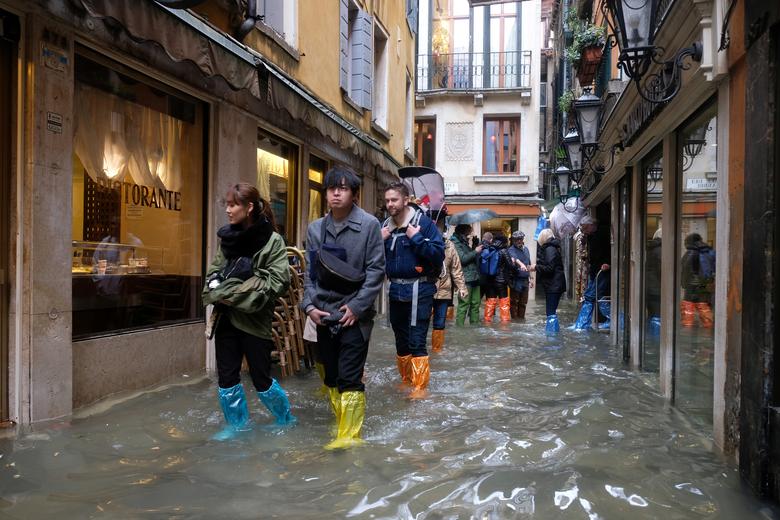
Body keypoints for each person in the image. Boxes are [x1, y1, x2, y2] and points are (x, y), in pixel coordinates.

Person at [202, 183, 294, 441]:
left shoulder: (272, 241)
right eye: (227, 205)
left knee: (261, 379)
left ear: (249, 207)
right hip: (225, 318)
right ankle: (236, 425)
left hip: (255, 322)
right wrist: (232, 287)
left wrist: (230, 290)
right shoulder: (227, 239)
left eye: (233, 205)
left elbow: (277, 281)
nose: (228, 210)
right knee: (227, 377)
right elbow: (212, 276)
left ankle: (285, 418)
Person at [302, 166, 385, 449]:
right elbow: (310, 274)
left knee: (350, 377)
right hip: (324, 314)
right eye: (331, 188)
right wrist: (309, 306)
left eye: (343, 188)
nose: (336, 193)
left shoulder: (370, 225)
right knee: (332, 376)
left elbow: (376, 272)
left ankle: (349, 438)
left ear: (354, 194)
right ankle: (341, 425)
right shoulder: (315, 229)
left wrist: (357, 307)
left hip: (355, 316)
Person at [382, 181, 445, 399]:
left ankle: (420, 388)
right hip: (396, 290)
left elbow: (438, 254)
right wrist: (378, 242)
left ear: (406, 200)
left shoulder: (424, 224)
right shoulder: (384, 226)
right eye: (387, 200)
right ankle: (406, 380)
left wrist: (416, 238)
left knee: (417, 339)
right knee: (400, 339)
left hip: (421, 289)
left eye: (394, 200)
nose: (390, 204)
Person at [431, 215, 468, 352]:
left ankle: (437, 350)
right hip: (427, 290)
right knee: (421, 323)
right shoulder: (424, 244)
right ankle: (420, 352)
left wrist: (462, 287)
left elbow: (456, 269)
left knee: (440, 324)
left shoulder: (450, 246)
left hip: (444, 291)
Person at [573, 215, 611, 330]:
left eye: (585, 228)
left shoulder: (602, 234)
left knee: (591, 295)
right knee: (592, 295)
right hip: (596, 270)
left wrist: (608, 263)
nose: (583, 231)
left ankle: (583, 324)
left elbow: (609, 250)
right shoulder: (590, 237)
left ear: (591, 226)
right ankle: (583, 323)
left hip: (602, 269)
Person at [451, 224, 483, 326]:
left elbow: (471, 257)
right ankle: (459, 329)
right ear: (463, 231)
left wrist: (474, 245)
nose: (470, 234)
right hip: (465, 278)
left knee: (476, 304)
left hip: (474, 277)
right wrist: (475, 251)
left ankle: (474, 326)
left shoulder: (464, 242)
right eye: (468, 232)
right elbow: (463, 259)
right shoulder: (455, 243)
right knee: (464, 304)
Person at [680, 232, 714, 328]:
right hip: (704, 285)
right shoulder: (708, 251)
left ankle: (687, 330)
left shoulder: (690, 253)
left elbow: (684, 270)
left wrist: (683, 284)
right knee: (704, 308)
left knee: (687, 310)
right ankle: (709, 330)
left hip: (691, 285)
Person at [536, 228, 566, 334]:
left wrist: (536, 267)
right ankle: (553, 332)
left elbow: (549, 268)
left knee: (550, 312)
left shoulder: (549, 249)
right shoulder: (553, 248)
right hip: (555, 284)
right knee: (551, 312)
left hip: (554, 285)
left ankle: (552, 335)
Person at [505, 230, 533, 320]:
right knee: (514, 302)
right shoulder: (511, 250)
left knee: (523, 302)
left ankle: (521, 320)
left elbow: (529, 263)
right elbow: (515, 259)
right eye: (517, 239)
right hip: (516, 279)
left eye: (520, 239)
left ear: (523, 239)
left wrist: (531, 278)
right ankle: (514, 320)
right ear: (513, 240)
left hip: (525, 279)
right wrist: (521, 265)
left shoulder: (526, 249)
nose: (519, 241)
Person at [485, 234, 511, 323]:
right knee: (504, 303)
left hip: (490, 280)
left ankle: (487, 322)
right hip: (501, 281)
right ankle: (504, 324)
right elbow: (510, 265)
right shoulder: (504, 251)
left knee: (490, 303)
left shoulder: (490, 249)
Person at [645, 228, 662, 335]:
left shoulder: (650, 249)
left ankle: (650, 336)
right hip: (656, 288)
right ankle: (655, 341)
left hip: (648, 287)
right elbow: (662, 270)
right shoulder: (660, 251)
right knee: (657, 315)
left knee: (652, 315)